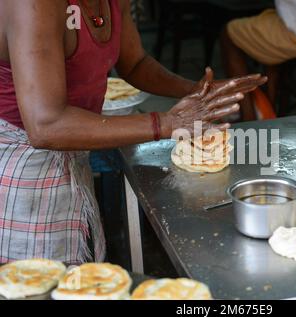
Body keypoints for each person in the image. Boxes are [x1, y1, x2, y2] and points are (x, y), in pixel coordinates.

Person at [0, 0, 266, 264]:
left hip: (71, 153)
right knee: (33, 283)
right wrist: (166, 123)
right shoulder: (34, 5)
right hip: (22, 168)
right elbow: (46, 125)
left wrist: (197, 92)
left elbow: (135, 63)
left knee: (75, 282)